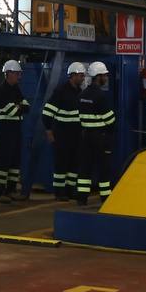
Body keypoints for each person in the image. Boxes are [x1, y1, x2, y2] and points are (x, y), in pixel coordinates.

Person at [43, 62, 87, 201]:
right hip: (62, 134)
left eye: (83, 76)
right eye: (80, 76)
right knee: (61, 165)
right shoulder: (60, 91)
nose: (82, 78)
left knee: (74, 164)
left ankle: (70, 191)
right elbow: (47, 112)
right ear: (72, 75)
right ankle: (59, 192)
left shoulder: (80, 92)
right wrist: (49, 131)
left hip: (76, 135)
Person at [76, 61, 116, 206]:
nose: (106, 78)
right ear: (98, 77)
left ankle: (81, 198)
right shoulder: (101, 96)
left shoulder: (82, 95)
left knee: (84, 168)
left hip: (86, 136)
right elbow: (110, 119)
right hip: (100, 137)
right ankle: (105, 198)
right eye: (104, 75)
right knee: (103, 168)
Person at [0, 59, 27, 203]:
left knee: (14, 161)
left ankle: (11, 190)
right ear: (9, 73)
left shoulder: (15, 89)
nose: (19, 76)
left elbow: (26, 106)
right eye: (17, 74)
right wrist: (18, 107)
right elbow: (12, 111)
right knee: (3, 161)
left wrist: (18, 107)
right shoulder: (2, 91)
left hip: (15, 129)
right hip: (5, 129)